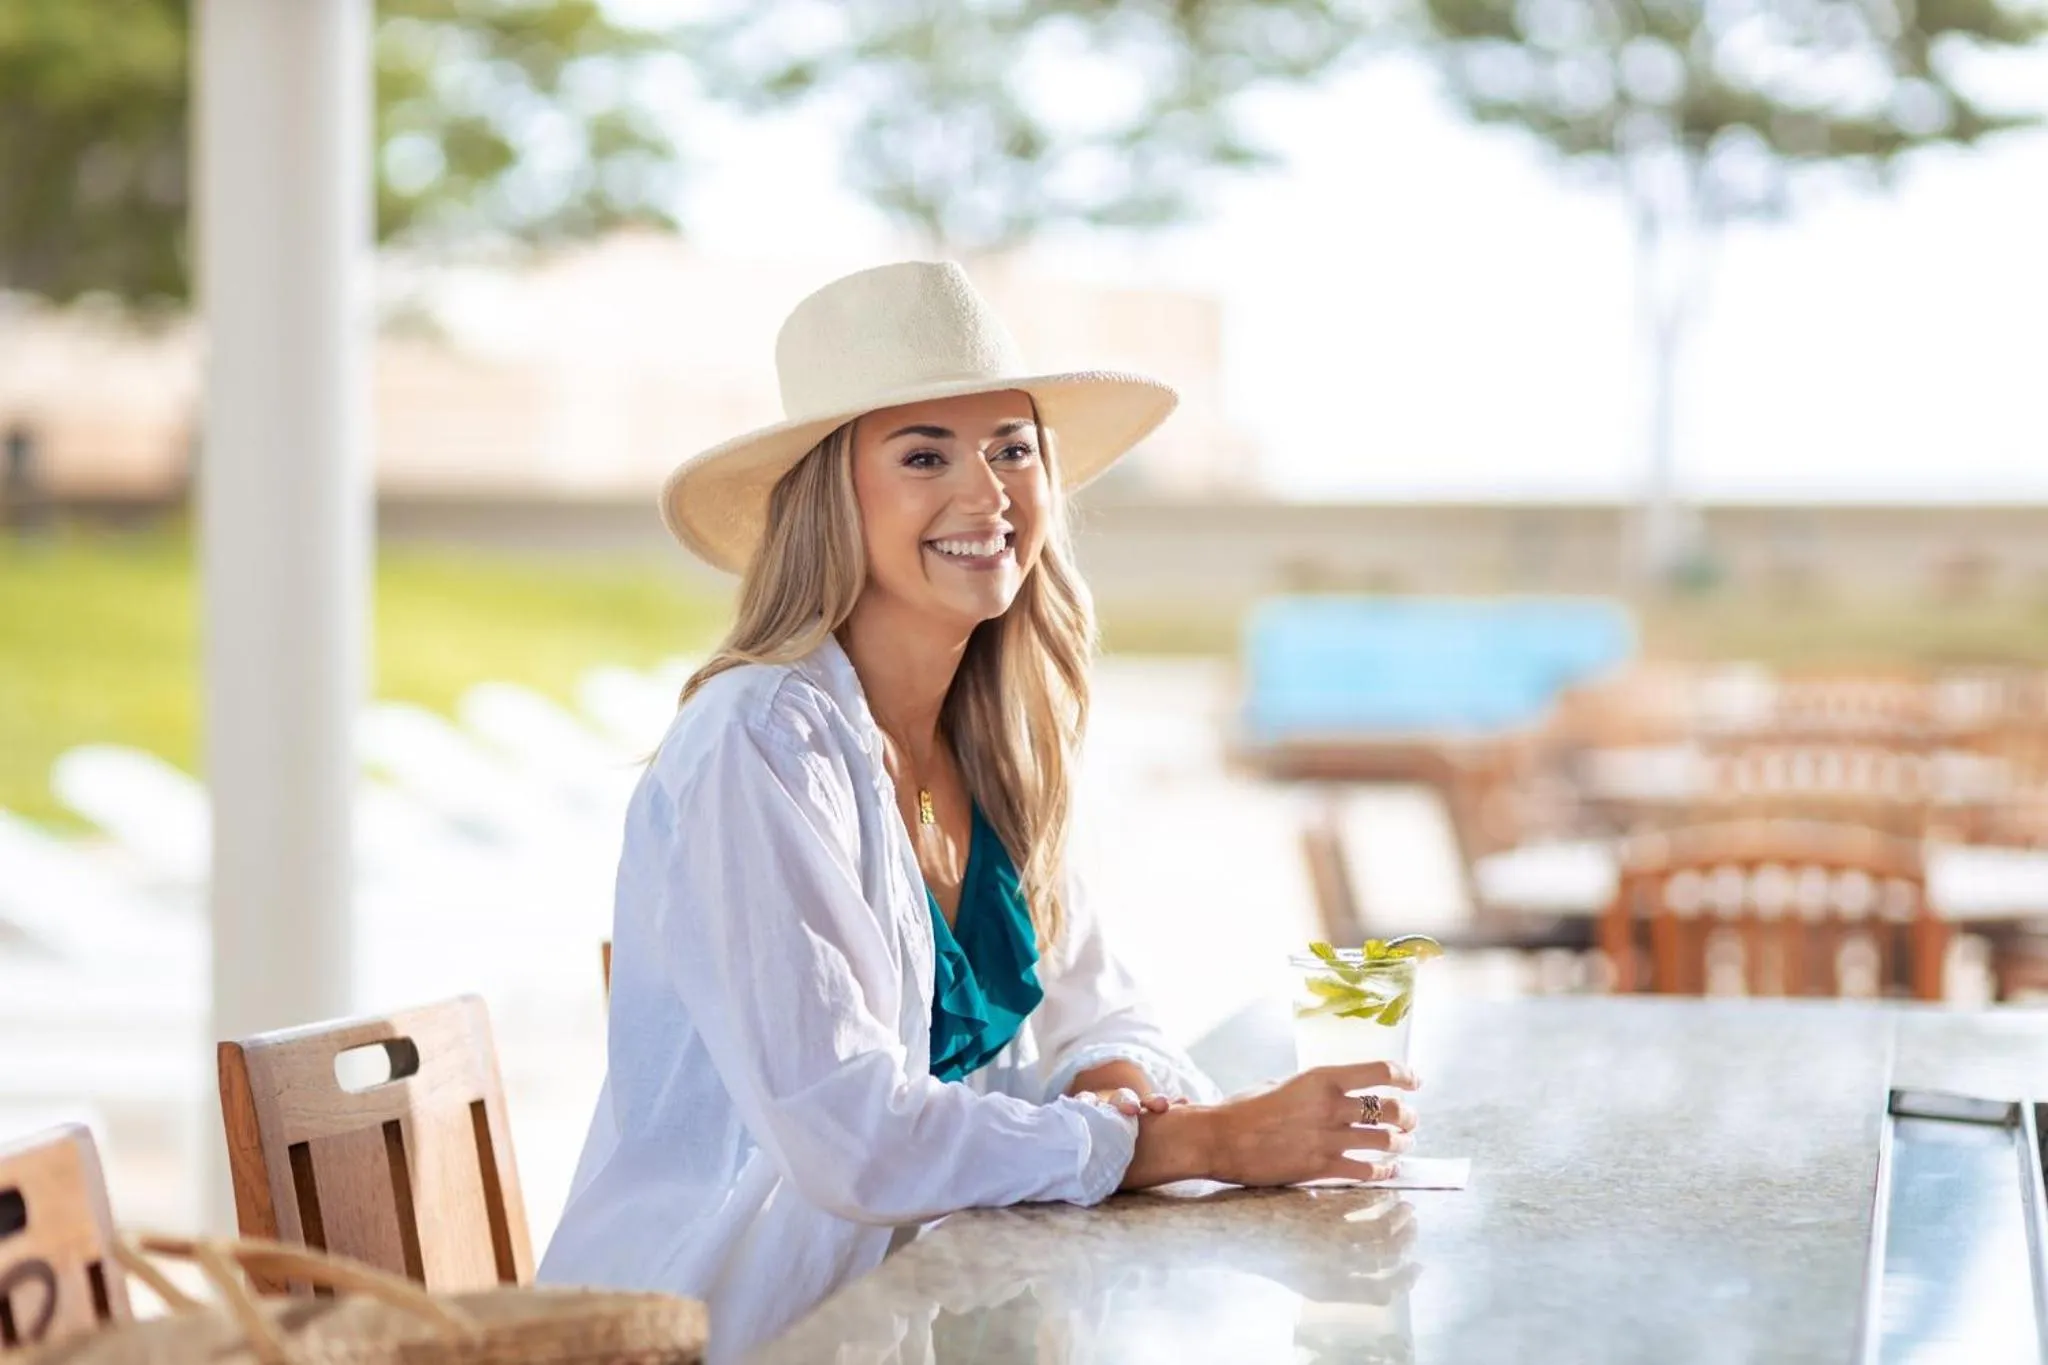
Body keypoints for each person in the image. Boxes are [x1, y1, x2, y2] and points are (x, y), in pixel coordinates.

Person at [537, 261, 1420, 1362]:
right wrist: (1197, 1141)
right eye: (922, 455)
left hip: (946, 1313)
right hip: (741, 1327)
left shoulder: (994, 741)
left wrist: (1118, 1083)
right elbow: (846, 1134)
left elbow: (1100, 1009)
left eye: (1013, 447)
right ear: (829, 494)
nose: (985, 493)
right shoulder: (759, 741)